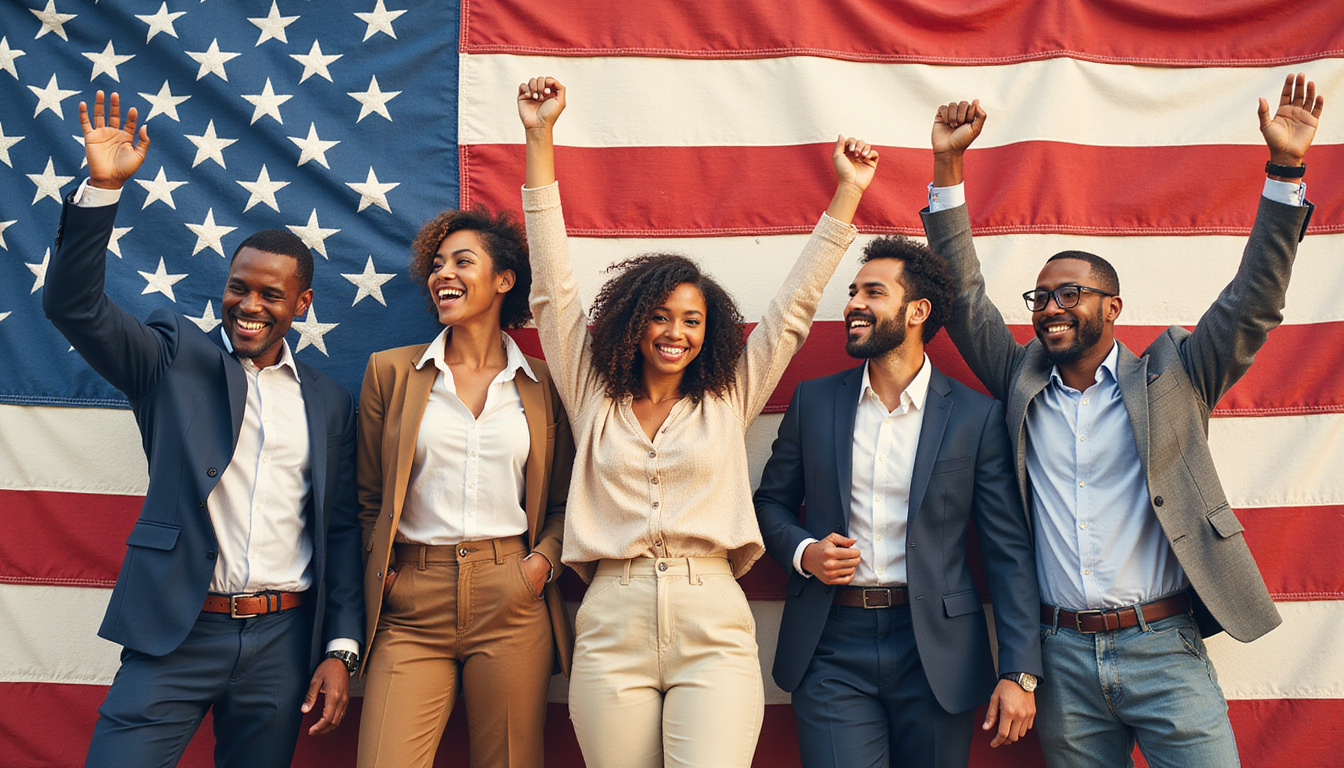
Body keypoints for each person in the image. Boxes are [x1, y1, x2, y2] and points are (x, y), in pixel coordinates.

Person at [920, 73, 1324, 767]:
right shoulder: (1019, 381)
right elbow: (963, 299)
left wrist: (1285, 169)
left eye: (1069, 293)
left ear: (1113, 308)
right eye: (1040, 296)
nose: (1049, 307)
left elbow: (1253, 302)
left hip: (1163, 647)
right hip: (1062, 658)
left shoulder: (1176, 376)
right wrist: (947, 168)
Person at [517, 75, 877, 768]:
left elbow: (792, 312)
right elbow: (552, 294)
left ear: (709, 333)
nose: (674, 332)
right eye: (660, 315)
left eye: (691, 320)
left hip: (710, 614)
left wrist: (848, 193)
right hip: (610, 615)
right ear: (632, 320)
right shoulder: (592, 394)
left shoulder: (727, 398)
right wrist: (540, 138)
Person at [42, 91, 363, 768]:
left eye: (270, 294)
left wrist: (339, 646)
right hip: (176, 634)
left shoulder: (330, 402)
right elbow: (74, 307)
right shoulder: (170, 360)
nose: (248, 305)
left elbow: (337, 531)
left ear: (301, 303)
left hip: (282, 639)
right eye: (238, 287)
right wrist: (102, 189)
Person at [754, 235, 1042, 768]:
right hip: (831, 643)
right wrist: (805, 553)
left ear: (918, 311)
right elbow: (769, 504)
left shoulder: (975, 418)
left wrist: (1019, 670)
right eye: (852, 292)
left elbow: (1008, 552)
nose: (853, 305)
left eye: (873, 293)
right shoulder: (813, 402)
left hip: (936, 649)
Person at [354, 207, 575, 768]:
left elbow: (563, 501)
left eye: (461, 261)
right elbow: (368, 499)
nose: (442, 273)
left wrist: (539, 566)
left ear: (504, 281)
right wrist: (394, 577)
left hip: (512, 596)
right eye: (436, 264)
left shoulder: (544, 384)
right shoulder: (390, 372)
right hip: (410, 600)